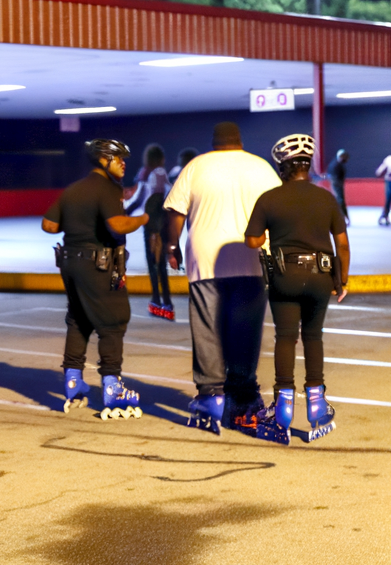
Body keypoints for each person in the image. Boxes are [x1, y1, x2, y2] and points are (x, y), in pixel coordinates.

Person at [164, 121, 281, 434]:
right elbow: (280, 213)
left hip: (205, 260)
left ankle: (210, 397)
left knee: (207, 329)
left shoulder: (196, 167)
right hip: (253, 259)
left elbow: (175, 213)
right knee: (246, 329)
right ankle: (243, 399)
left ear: (214, 141)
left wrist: (171, 247)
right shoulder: (262, 168)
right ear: (239, 140)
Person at [244, 134, 349, 445]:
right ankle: (317, 406)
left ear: (283, 167)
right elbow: (341, 245)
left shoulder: (269, 198)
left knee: (286, 337)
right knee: (313, 336)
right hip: (321, 276)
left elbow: (252, 240)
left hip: (285, 276)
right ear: (308, 166)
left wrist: (264, 239)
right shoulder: (326, 198)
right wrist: (341, 281)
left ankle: (283, 410)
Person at [42, 139, 148, 418]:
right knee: (113, 321)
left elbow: (49, 225)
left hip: (69, 263)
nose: (124, 163)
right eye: (118, 158)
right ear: (103, 160)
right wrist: (144, 219)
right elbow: (117, 225)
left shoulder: (73, 189)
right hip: (97, 264)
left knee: (79, 319)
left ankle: (73, 381)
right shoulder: (108, 189)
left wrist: (79, 220)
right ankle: (112, 387)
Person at [125, 144, 173, 320]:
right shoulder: (161, 173)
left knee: (153, 262)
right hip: (162, 222)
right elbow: (166, 196)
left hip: (149, 222)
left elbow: (140, 199)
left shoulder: (145, 173)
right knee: (161, 264)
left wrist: (127, 212)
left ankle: (157, 299)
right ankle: (165, 302)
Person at [329, 149, 350, 226]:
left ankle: (344, 217)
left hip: (338, 185)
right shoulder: (335, 165)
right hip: (337, 185)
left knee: (340, 201)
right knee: (340, 201)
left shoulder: (337, 164)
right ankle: (342, 218)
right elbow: (335, 179)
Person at [376, 154, 391, 226]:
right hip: (389, 181)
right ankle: (384, 215)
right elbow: (380, 171)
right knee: (388, 198)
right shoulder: (389, 159)